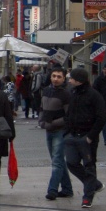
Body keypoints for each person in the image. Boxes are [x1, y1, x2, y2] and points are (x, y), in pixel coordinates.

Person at [64, 68, 106, 209]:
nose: (69, 80)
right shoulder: (72, 93)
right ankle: (94, 184)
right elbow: (68, 113)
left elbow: (101, 117)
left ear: (79, 80)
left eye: (71, 78)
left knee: (89, 166)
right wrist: (67, 132)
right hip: (72, 135)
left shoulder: (94, 95)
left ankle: (87, 197)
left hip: (87, 137)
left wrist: (91, 136)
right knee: (71, 163)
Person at [39, 66, 73, 200]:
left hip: (60, 130)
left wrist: (53, 123)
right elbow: (42, 107)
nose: (56, 79)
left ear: (64, 78)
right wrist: (41, 121)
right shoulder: (46, 90)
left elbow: (68, 116)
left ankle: (52, 190)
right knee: (57, 160)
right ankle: (67, 189)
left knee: (57, 161)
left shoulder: (66, 94)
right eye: (54, 76)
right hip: (48, 129)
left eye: (59, 77)